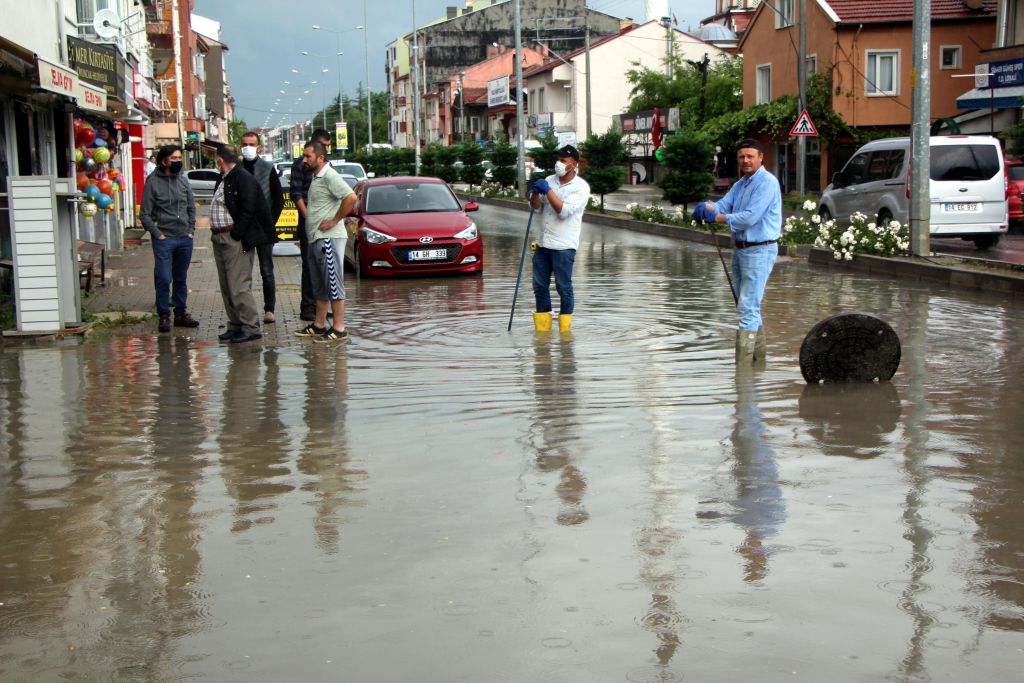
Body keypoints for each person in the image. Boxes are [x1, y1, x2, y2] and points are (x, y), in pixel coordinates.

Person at [699, 138, 782, 364]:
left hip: (760, 250)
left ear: (760, 157)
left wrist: (717, 217)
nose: (745, 161)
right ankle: (757, 364)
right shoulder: (740, 184)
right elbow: (723, 204)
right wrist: (707, 207)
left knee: (747, 306)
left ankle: (743, 374)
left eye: (750, 156)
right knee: (747, 306)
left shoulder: (767, 183)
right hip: (741, 250)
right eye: (742, 157)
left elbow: (749, 218)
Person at [209, 146, 275, 343]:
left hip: (234, 238)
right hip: (219, 237)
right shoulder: (225, 178)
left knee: (238, 285)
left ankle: (250, 326)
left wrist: (237, 233)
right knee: (227, 286)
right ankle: (236, 324)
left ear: (220, 160)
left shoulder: (242, 177)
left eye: (216, 160)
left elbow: (249, 208)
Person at [294, 141, 357, 343]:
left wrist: (335, 220)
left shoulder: (330, 175)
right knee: (320, 285)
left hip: (328, 238)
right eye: (304, 156)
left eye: (308, 156)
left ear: (320, 158)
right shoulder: (316, 176)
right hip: (316, 238)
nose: (304, 160)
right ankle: (319, 324)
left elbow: (350, 197)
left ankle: (339, 328)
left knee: (333, 282)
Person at [528, 144, 591, 333]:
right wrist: (533, 194)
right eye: (558, 159)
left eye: (563, 161)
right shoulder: (549, 180)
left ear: (574, 164)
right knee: (539, 286)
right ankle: (543, 331)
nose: (559, 164)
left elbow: (563, 211)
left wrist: (547, 191)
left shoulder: (580, 187)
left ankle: (565, 333)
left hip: (564, 246)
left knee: (563, 287)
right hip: (543, 243)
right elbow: (537, 208)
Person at [139, 144, 200, 333]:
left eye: (179, 158)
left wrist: (190, 230)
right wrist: (158, 234)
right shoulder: (152, 182)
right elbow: (145, 214)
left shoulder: (182, 181)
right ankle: (164, 315)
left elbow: (191, 207)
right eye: (174, 159)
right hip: (164, 239)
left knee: (180, 278)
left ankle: (181, 314)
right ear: (164, 160)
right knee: (164, 277)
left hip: (184, 238)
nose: (178, 162)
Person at [239, 131, 285, 324]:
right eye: (244, 144)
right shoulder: (237, 169)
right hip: (243, 228)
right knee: (243, 272)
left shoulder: (267, 168)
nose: (247, 147)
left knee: (266, 269)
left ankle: (269, 309)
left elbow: (278, 199)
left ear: (259, 147)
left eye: (251, 144)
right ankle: (245, 311)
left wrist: (270, 221)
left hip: (264, 228)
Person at [291, 128, 333, 321]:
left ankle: (321, 306)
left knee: (322, 264)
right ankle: (307, 307)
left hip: (324, 221)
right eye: (325, 145)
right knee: (309, 264)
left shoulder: (326, 165)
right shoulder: (301, 164)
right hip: (308, 220)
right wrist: (308, 217)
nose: (328, 148)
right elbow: (296, 193)